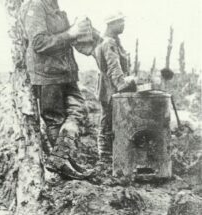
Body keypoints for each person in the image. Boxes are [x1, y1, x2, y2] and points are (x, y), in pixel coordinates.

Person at [20, 0, 98, 179]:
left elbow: (63, 35)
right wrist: (70, 33)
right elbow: (39, 43)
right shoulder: (35, 6)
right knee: (55, 119)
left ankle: (61, 159)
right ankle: (63, 164)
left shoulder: (52, 4)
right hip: (47, 74)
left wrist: (79, 30)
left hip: (65, 71)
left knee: (78, 110)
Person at [94, 12, 137, 163]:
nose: (123, 25)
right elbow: (114, 68)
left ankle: (110, 153)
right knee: (108, 120)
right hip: (111, 88)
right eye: (120, 22)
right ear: (112, 24)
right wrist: (124, 84)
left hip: (111, 87)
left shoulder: (113, 41)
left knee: (110, 119)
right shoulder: (108, 43)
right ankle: (105, 156)